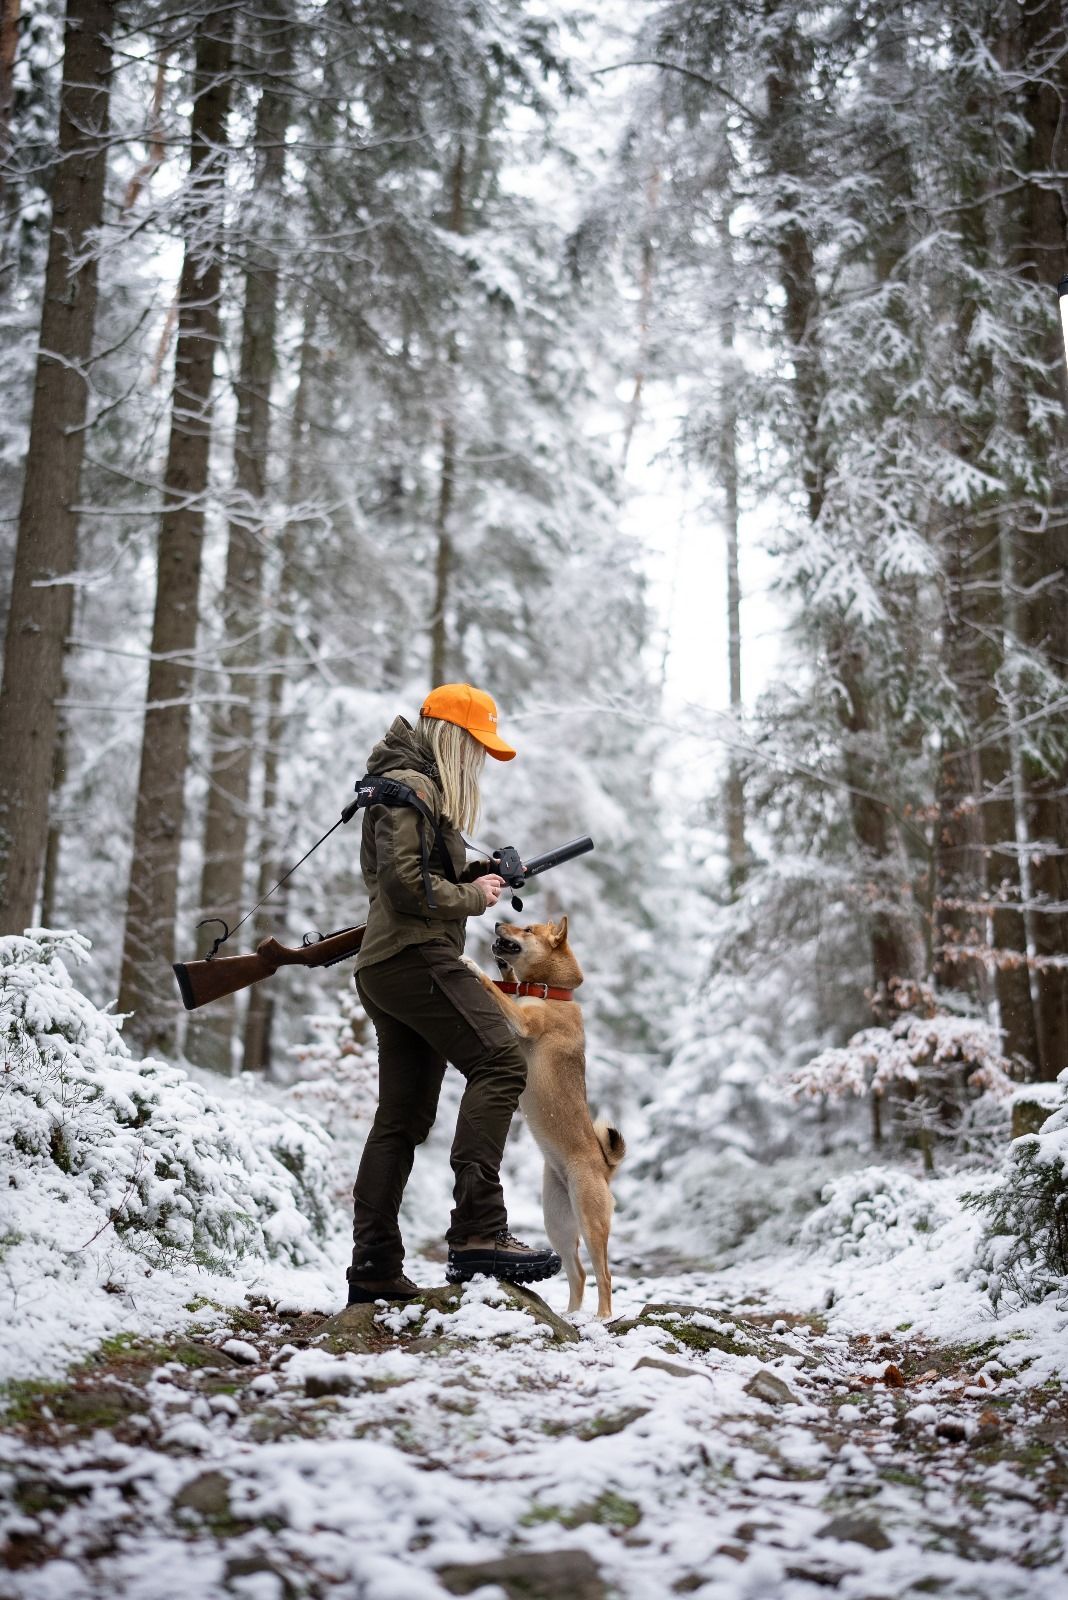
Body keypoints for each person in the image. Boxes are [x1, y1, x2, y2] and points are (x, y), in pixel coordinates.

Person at [346, 683, 562, 1306]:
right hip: (416, 957)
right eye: (477, 747)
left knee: (400, 1120)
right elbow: (405, 887)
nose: (479, 762)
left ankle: (375, 1268)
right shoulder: (411, 786)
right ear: (453, 738)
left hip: (390, 966)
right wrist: (475, 896)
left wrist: (473, 874)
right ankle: (478, 1233)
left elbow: (415, 875)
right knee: (502, 1061)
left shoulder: (406, 787)